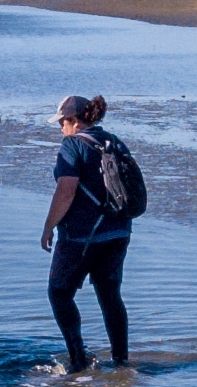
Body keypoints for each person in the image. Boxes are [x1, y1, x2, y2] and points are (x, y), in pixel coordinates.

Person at [40, 95, 138, 372]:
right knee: (110, 295)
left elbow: (66, 189)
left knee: (59, 292)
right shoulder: (114, 141)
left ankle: (78, 360)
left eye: (62, 122)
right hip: (119, 231)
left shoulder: (72, 145)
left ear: (74, 121)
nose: (61, 129)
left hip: (81, 236)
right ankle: (121, 360)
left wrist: (48, 226)